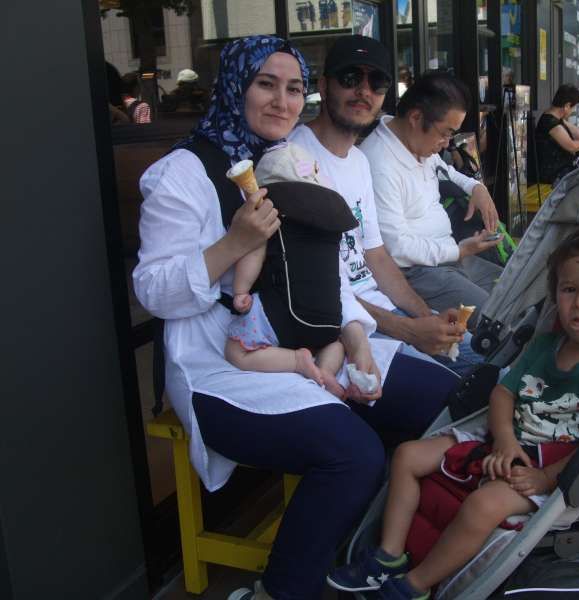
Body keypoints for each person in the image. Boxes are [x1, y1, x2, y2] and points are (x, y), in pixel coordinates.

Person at [133, 35, 458, 600]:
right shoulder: (182, 173)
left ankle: (378, 547)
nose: (282, 102)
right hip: (223, 368)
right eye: (266, 85)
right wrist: (234, 243)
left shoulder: (290, 163)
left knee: (446, 402)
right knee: (353, 454)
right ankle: (283, 588)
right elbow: (154, 292)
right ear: (235, 87)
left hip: (309, 343)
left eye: (293, 88)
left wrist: (356, 339)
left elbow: (328, 275)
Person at [326, 225, 579, 599]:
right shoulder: (546, 346)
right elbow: (504, 393)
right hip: (507, 439)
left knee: (484, 504)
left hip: (557, 465)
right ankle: (389, 555)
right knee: (409, 454)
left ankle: (415, 586)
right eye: (569, 289)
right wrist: (504, 439)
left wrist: (545, 479)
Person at [290, 35, 484, 375]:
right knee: (471, 384)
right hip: (346, 333)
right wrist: (409, 330)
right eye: (351, 77)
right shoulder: (295, 161)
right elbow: (319, 289)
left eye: (376, 81)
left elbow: (376, 255)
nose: (364, 91)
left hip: (385, 310)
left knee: (491, 367)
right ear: (323, 85)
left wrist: (426, 319)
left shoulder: (358, 161)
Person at [360, 71, 503, 324]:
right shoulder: (379, 163)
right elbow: (397, 248)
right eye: (446, 133)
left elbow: (447, 171)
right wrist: (457, 250)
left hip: (449, 258)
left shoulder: (417, 143)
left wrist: (477, 188)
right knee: (496, 318)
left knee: (513, 291)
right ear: (416, 117)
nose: (447, 143)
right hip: (418, 271)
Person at [225, 142, 354, 396]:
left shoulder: (270, 211)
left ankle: (297, 361)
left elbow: (254, 250)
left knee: (235, 351)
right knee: (334, 343)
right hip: (328, 321)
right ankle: (326, 371)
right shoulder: (330, 215)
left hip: (283, 317)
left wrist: (241, 291)